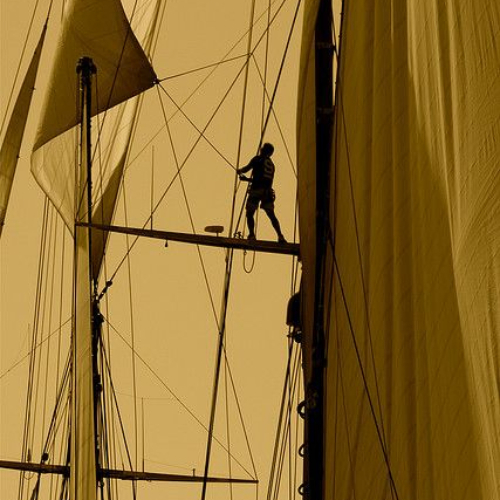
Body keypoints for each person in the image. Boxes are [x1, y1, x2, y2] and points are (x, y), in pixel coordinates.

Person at [237, 143, 286, 243]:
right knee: (271, 214)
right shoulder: (271, 165)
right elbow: (265, 180)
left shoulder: (257, 159)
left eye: (263, 148)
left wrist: (241, 172)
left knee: (250, 213)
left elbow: (247, 169)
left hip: (256, 190)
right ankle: (280, 236)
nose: (261, 149)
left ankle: (251, 235)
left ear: (265, 150)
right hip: (267, 192)